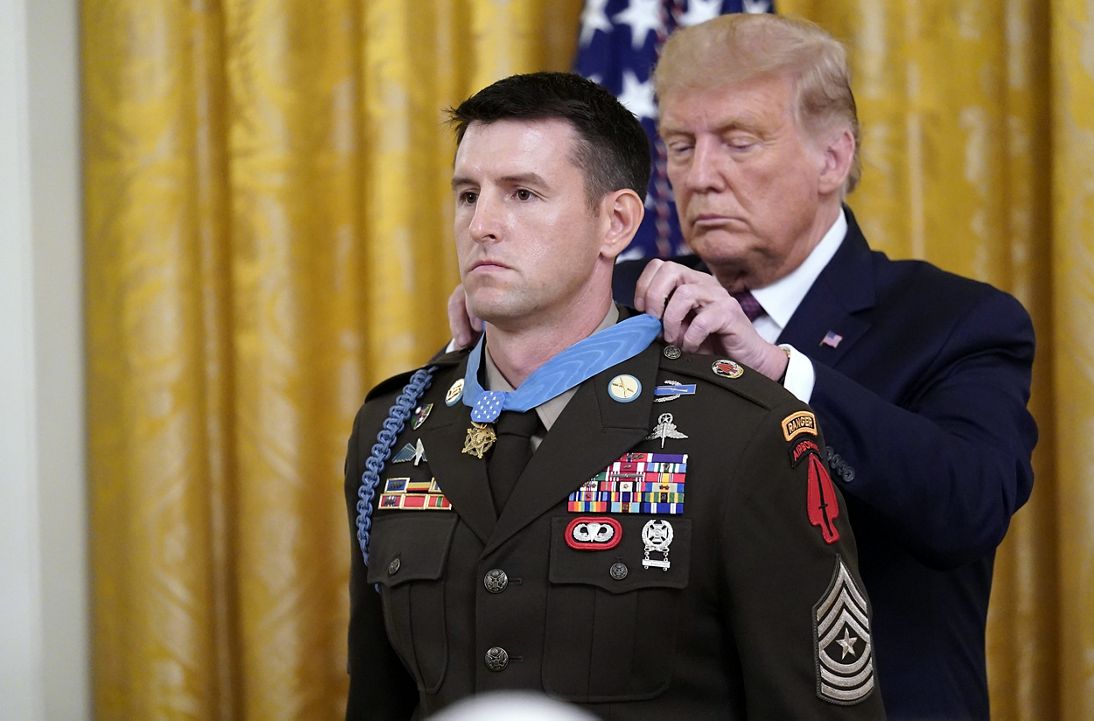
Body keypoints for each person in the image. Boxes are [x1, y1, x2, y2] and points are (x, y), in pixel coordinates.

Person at [441, 13, 1036, 721]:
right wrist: (484, 370)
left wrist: (781, 373)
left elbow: (968, 506)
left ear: (832, 159)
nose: (700, 176)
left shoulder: (951, 320)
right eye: (682, 146)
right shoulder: (611, 304)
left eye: (738, 143)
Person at [345, 71, 885, 720]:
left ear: (617, 222)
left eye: (522, 193)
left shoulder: (740, 435)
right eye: (467, 194)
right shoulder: (395, 428)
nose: (482, 223)